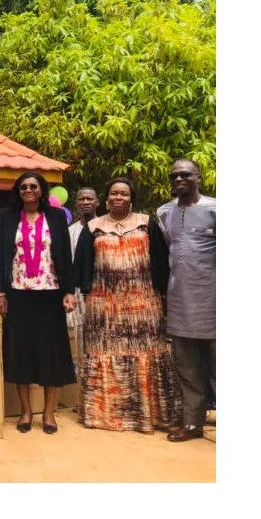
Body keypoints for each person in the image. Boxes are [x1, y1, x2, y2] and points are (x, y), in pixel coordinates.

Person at [76, 177, 180, 433]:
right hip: (104, 306)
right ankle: (104, 414)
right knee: (104, 353)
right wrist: (85, 294)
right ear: (107, 198)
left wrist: (162, 295)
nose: (117, 197)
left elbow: (160, 262)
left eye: (123, 193)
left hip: (143, 304)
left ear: (131, 198)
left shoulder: (147, 224)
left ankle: (146, 415)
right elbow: (81, 266)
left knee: (145, 353)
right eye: (113, 193)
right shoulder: (93, 227)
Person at [0, 172, 78, 435]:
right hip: (18, 294)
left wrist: (69, 291)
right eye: (24, 186)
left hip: (50, 294)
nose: (28, 190)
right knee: (21, 353)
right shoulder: (7, 217)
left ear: (42, 191)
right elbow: (0, 256)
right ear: (18, 191)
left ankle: (49, 412)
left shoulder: (55, 218)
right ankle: (26, 412)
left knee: (50, 353)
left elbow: (65, 255)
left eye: (34, 186)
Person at [157, 159, 216, 442]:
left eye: (185, 174)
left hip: (215, 301)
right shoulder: (163, 213)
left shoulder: (216, 209)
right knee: (188, 368)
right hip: (181, 301)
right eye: (174, 176)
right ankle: (193, 424)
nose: (179, 179)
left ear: (198, 177)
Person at [65, 188, 98, 329]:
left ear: (97, 202)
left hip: (101, 289)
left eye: (89, 199)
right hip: (76, 293)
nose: (85, 202)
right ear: (76, 204)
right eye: (81, 199)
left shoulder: (105, 228)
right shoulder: (69, 232)